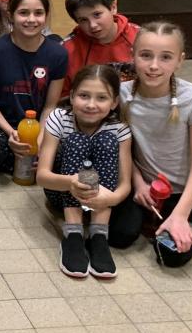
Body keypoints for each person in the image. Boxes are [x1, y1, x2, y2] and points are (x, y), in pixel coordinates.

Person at [109, 21, 192, 267]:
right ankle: (150, 217)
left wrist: (181, 215)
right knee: (119, 236)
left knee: (172, 255)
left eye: (166, 57)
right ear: (132, 56)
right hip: (142, 184)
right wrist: (138, 184)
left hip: (183, 189)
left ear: (180, 60)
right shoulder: (121, 94)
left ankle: (182, 213)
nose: (154, 66)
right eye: (145, 55)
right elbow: (122, 148)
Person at [37, 65, 133, 279]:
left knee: (107, 140)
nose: (91, 104)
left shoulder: (119, 128)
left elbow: (125, 183)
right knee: (77, 140)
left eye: (101, 98)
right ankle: (73, 234)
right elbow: (42, 176)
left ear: (114, 103)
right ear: (72, 96)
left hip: (102, 197)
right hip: (62, 191)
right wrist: (72, 182)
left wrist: (111, 198)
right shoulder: (59, 117)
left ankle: (99, 235)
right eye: (84, 96)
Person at [0, 0, 67, 177]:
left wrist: (39, 139)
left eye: (38, 13)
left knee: (61, 156)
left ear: (46, 16)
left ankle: (11, 162)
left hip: (37, 126)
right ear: (10, 15)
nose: (31, 19)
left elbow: (50, 106)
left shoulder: (58, 53)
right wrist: (11, 133)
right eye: (23, 13)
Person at [60, 0, 139, 96]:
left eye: (97, 15)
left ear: (113, 8)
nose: (93, 25)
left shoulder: (141, 38)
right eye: (83, 20)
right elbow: (62, 97)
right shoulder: (67, 49)